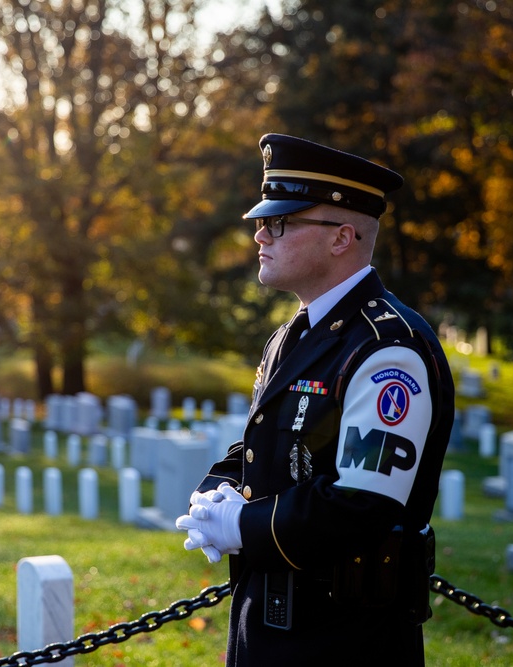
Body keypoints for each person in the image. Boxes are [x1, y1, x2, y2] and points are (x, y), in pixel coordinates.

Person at [176, 133, 455, 666]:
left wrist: (243, 527)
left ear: (341, 237)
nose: (260, 234)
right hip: (269, 620)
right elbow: (264, 450)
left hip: (345, 637)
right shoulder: (294, 335)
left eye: (280, 222)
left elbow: (362, 503)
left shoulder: (386, 348)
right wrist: (214, 494)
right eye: (263, 221)